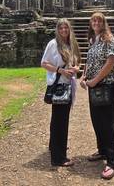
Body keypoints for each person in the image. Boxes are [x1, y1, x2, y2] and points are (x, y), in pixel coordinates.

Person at [80, 12, 114, 180]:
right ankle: (102, 150)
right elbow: (89, 61)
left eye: (99, 20)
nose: (96, 22)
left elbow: (111, 61)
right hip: (94, 86)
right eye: (93, 20)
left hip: (107, 85)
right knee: (97, 120)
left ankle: (112, 163)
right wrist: (84, 76)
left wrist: (95, 80)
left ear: (103, 23)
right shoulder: (93, 40)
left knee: (108, 123)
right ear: (91, 23)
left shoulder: (108, 38)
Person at [41, 18, 81, 167]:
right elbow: (43, 63)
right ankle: (59, 158)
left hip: (69, 85)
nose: (64, 30)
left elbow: (78, 61)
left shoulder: (71, 43)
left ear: (69, 29)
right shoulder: (53, 44)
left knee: (59, 119)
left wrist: (76, 68)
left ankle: (55, 147)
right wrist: (60, 70)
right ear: (57, 30)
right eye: (61, 28)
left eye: (66, 28)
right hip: (59, 86)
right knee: (60, 121)